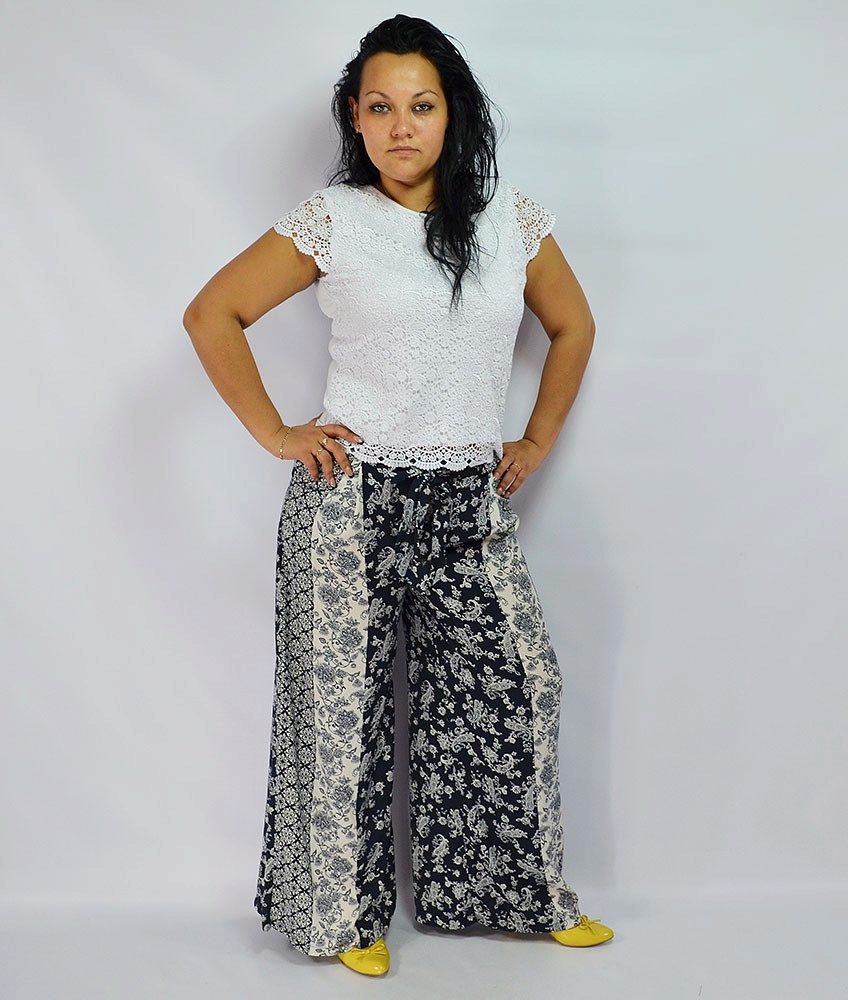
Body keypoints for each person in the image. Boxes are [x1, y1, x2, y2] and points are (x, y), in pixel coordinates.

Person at [183, 13, 612, 979]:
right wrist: (277, 433)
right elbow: (213, 313)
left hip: (468, 500)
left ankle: (507, 895)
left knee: (517, 684)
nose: (401, 126)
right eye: (380, 107)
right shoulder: (334, 219)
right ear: (355, 117)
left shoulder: (511, 222)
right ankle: (344, 918)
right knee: (342, 714)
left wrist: (535, 439)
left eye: (421, 105)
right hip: (350, 498)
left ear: (453, 114)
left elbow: (574, 326)